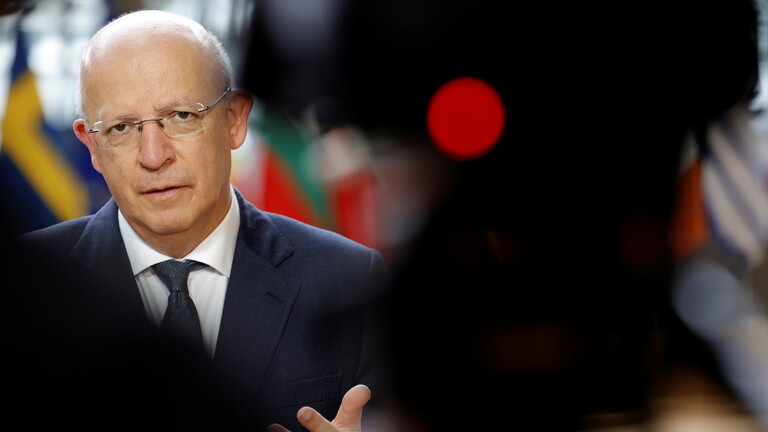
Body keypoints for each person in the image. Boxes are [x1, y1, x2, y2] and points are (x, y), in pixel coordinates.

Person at [17, 9, 386, 432]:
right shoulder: (22, 288)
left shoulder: (350, 277)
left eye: (182, 116)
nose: (153, 156)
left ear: (234, 121)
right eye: (121, 128)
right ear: (91, 146)